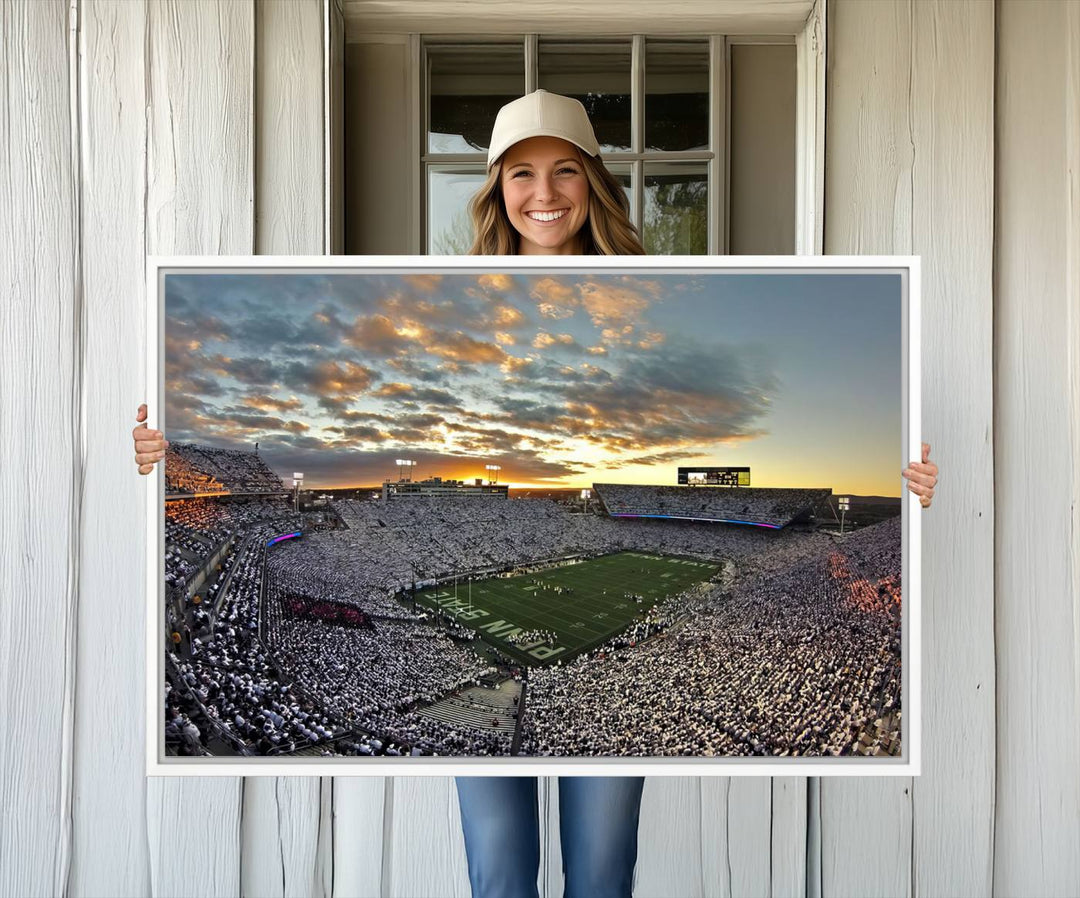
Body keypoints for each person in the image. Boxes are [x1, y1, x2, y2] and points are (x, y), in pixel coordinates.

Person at [132, 88, 939, 898]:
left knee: (600, 869)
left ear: (593, 181)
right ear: (496, 189)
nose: (544, 193)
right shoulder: (453, 296)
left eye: (564, 171)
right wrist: (165, 454)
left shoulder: (653, 291)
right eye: (521, 173)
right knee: (500, 870)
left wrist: (911, 484)